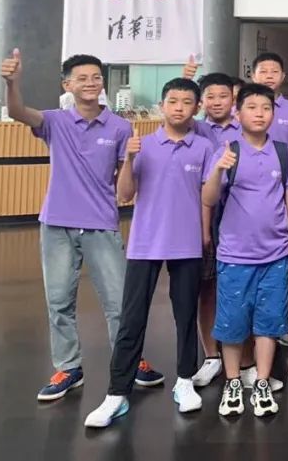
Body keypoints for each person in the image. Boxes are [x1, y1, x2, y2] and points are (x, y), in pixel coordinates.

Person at [0, 49, 165, 401]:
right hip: (56, 224)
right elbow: (17, 112)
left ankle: (129, 360)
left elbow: (123, 186)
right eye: (82, 78)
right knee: (59, 301)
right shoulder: (54, 121)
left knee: (119, 303)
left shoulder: (120, 127)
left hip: (101, 223)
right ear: (67, 85)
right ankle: (68, 367)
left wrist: (130, 158)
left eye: (96, 77)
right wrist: (12, 83)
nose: (90, 83)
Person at [83, 78, 214, 427]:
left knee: (185, 315)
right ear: (161, 105)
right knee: (132, 318)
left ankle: (184, 381)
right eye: (173, 101)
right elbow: (124, 194)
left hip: (186, 243)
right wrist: (128, 158)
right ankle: (117, 393)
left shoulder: (203, 148)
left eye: (187, 102)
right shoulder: (142, 144)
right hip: (145, 242)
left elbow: (207, 197)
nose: (179, 108)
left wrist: (204, 235)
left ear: (197, 108)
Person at [202, 84, 288, 419]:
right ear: (238, 113)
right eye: (252, 107)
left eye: (266, 108)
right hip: (235, 255)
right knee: (232, 321)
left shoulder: (283, 153)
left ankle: (262, 381)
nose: (259, 113)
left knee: (269, 322)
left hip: (276, 254)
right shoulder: (228, 151)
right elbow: (209, 199)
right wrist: (218, 169)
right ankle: (232, 382)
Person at [192, 72, 243, 388]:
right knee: (207, 287)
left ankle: (244, 358)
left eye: (223, 95)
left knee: (240, 287)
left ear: (233, 98)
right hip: (204, 214)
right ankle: (212, 356)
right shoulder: (195, 129)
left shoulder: (246, 126)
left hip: (239, 215)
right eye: (210, 96)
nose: (216, 102)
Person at [252, 52, 288, 151]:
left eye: (275, 71)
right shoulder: (241, 109)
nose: (269, 76)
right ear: (253, 76)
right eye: (263, 72)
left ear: (283, 76)